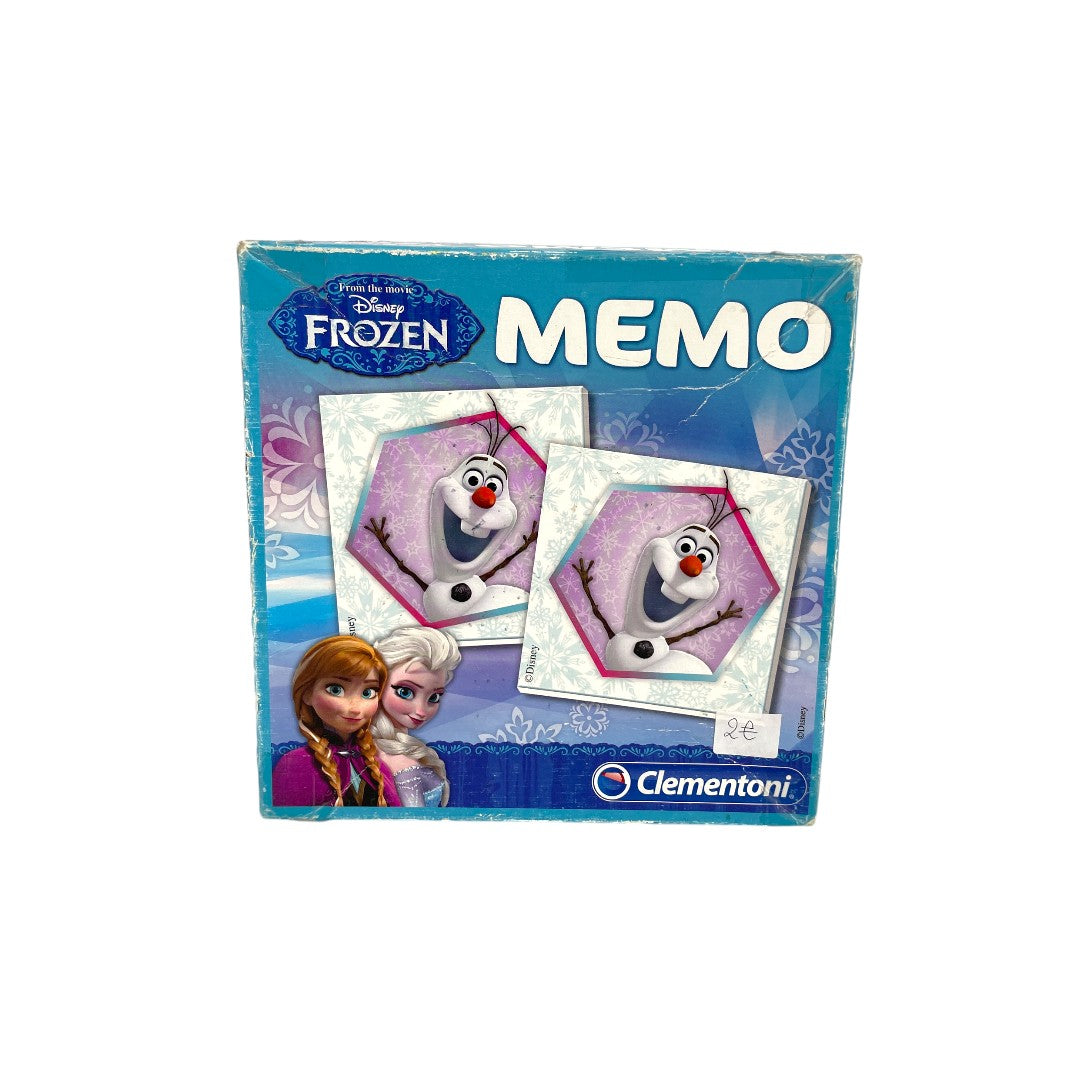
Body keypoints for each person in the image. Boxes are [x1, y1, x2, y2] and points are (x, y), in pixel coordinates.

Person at [272, 636, 402, 807]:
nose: (355, 708)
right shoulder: (296, 765)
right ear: (307, 693)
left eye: (368, 692)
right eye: (336, 689)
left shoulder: (378, 767)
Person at [370, 627, 462, 807]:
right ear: (378, 683)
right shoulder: (401, 765)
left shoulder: (377, 750)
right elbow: (412, 823)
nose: (421, 710)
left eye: (433, 697)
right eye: (405, 692)